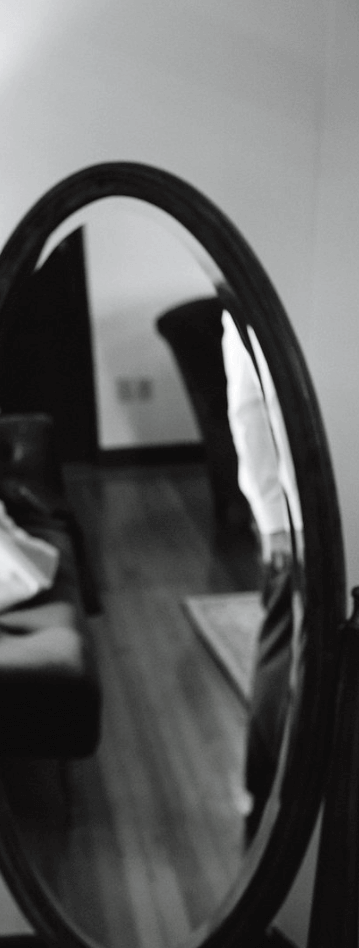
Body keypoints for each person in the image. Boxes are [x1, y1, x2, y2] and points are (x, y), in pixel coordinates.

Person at [220, 309, 297, 842]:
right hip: (298, 519)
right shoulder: (247, 300)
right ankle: (266, 790)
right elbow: (249, 414)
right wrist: (274, 523)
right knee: (284, 648)